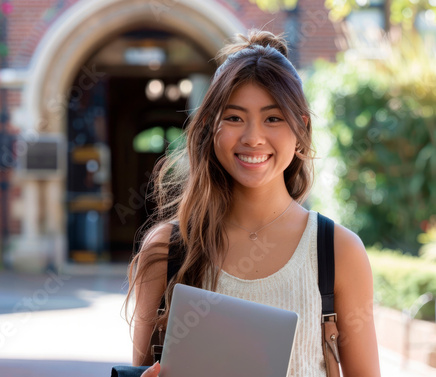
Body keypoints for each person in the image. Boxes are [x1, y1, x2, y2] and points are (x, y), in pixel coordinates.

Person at [124, 28, 381, 377]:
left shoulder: (338, 251)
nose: (253, 137)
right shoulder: (168, 251)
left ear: (300, 130)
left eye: (273, 118)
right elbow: (139, 370)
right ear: (209, 128)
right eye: (234, 118)